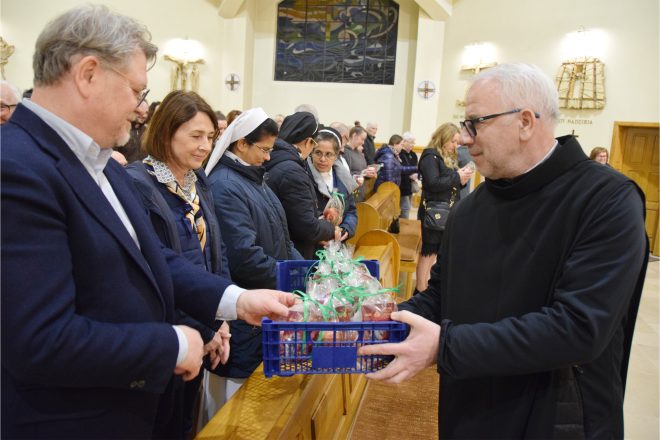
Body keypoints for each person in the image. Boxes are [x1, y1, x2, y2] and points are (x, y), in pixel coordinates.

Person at [0, 6, 294, 439]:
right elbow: (40, 338)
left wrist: (236, 300)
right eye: (136, 91)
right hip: (73, 418)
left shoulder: (106, 166)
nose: (141, 109)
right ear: (88, 75)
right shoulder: (16, 168)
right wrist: (172, 344)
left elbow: (156, 260)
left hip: (134, 407)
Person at [360, 63, 649, 439]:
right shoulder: (470, 209)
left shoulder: (606, 200)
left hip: (556, 415)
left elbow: (579, 327)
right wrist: (377, 322)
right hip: (471, 407)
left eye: (474, 123)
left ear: (526, 122)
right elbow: (441, 297)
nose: (463, 138)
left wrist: (445, 346)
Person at [125, 90, 231, 438]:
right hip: (168, 332)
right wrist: (205, 331)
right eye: (195, 136)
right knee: (163, 426)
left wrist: (223, 319)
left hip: (205, 324)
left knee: (187, 423)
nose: (204, 146)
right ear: (167, 132)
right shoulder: (140, 185)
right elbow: (157, 271)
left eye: (210, 137)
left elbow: (216, 251)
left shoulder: (198, 180)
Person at [202, 108, 303, 422]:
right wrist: (294, 279)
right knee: (231, 414)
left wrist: (309, 271)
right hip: (244, 313)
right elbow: (245, 257)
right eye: (264, 149)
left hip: (265, 305)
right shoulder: (225, 185)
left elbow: (284, 241)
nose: (268, 157)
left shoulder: (255, 179)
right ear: (241, 144)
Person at [265, 111, 340, 258]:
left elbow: (294, 211)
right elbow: (306, 227)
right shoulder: (292, 171)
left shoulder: (277, 157)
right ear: (307, 142)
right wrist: (331, 229)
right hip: (292, 251)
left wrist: (318, 217)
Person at [415, 123, 472, 292]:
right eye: (453, 141)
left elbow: (448, 183)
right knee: (428, 252)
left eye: (457, 142)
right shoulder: (430, 156)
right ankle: (419, 290)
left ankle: (427, 288)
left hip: (445, 210)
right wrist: (457, 176)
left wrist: (461, 180)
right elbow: (433, 184)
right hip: (433, 212)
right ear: (443, 138)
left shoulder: (443, 156)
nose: (455, 146)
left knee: (437, 251)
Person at [307, 127, 358, 244]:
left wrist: (345, 229)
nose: (322, 159)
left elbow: (351, 211)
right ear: (311, 152)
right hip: (313, 243)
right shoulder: (304, 176)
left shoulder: (343, 179)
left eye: (328, 154)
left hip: (337, 242)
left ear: (336, 156)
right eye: (318, 153)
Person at [343, 125, 378, 201]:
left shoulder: (358, 153)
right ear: (354, 135)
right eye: (362, 139)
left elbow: (361, 169)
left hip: (360, 191)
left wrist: (368, 172)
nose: (363, 142)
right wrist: (362, 173)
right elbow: (344, 175)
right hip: (350, 193)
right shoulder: (345, 152)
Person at [115, 96, 150, 163]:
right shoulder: (121, 129)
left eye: (146, 113)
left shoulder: (148, 131)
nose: (144, 115)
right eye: (139, 112)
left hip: (144, 171)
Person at [399, 131, 419, 219]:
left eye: (413, 142)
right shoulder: (399, 154)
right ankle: (403, 229)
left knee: (408, 207)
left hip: (410, 185)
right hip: (402, 185)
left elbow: (417, 167)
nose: (413, 144)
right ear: (404, 142)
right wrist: (409, 175)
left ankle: (403, 226)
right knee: (405, 208)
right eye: (411, 142)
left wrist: (416, 174)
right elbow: (399, 169)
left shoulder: (413, 154)